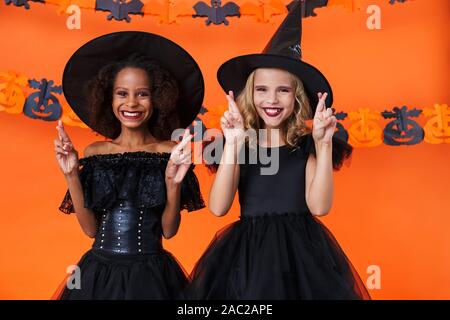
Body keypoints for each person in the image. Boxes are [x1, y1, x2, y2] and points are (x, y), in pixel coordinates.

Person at [188, 1, 371, 299]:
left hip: (303, 257)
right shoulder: (239, 145)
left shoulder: (305, 147)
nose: (271, 100)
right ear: (251, 94)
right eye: (262, 90)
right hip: (247, 258)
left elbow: (320, 207)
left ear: (297, 97)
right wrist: (233, 142)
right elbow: (218, 208)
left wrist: (323, 145)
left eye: (283, 90)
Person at [52, 31, 205, 299]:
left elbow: (169, 232)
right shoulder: (95, 153)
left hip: (150, 275)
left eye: (142, 94)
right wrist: (70, 174)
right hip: (98, 274)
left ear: (158, 99)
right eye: (122, 93)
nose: (131, 102)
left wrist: (173, 183)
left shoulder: (169, 152)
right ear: (108, 99)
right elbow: (90, 229)